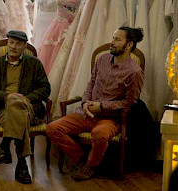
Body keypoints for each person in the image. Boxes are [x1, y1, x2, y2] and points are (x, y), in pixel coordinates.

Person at [47, 27, 144, 181]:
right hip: (86, 113)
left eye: (117, 39)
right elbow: (91, 84)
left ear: (129, 45)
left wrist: (103, 106)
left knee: (100, 134)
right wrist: (85, 102)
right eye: (113, 37)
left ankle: (91, 167)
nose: (111, 42)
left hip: (109, 119)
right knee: (52, 128)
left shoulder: (134, 72)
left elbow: (130, 102)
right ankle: (82, 158)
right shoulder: (102, 60)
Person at [0, 30, 51, 184]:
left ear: (24, 46)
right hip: (2, 110)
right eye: (11, 42)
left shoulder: (34, 64)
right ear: (7, 43)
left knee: (18, 108)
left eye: (18, 44)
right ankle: (22, 164)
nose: (14, 47)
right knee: (19, 114)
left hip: (30, 107)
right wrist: (7, 97)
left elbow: (45, 88)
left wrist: (26, 99)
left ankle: (4, 147)